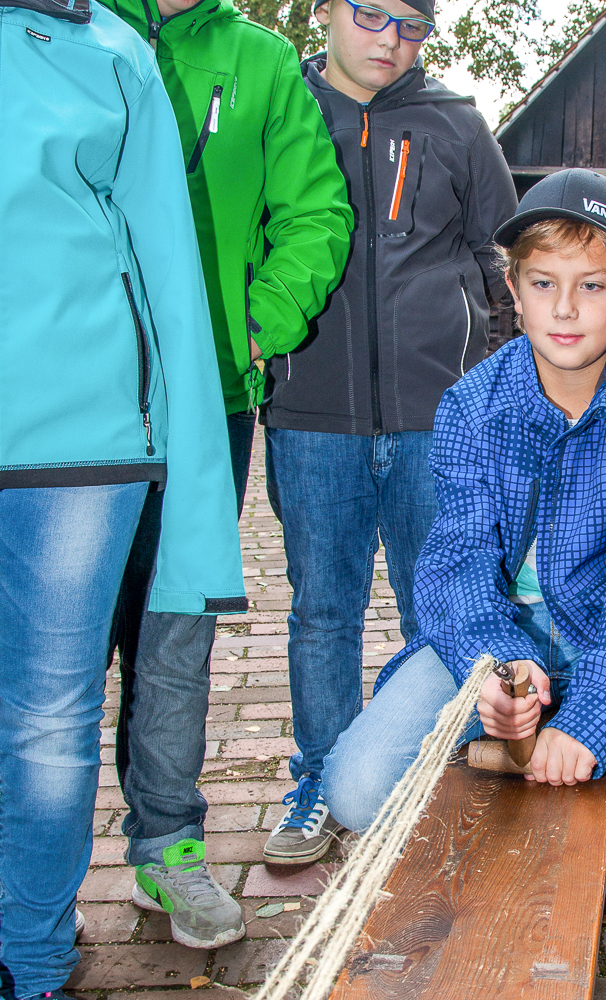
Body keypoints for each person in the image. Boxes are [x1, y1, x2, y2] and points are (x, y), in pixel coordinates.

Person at [322, 170, 606, 1000]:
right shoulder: (473, 404)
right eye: (544, 284)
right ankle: (453, 897)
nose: (567, 309)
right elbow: (454, 564)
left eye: (593, 286)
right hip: (497, 632)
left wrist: (587, 717)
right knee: (354, 784)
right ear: (512, 289)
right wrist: (500, 671)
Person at [0, 0, 245, 991]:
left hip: (74, 443)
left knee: (46, 717)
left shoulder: (115, 51)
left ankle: (31, 960)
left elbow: (170, 281)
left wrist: (194, 503)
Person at [103, 0, 353, 946]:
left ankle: (166, 851)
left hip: (209, 404)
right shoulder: (69, 32)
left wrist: (258, 325)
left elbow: (317, 210)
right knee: (52, 645)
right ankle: (24, 866)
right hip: (68, 403)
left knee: (174, 634)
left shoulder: (260, 60)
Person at [258, 0, 517, 866]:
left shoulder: (457, 125)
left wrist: (481, 383)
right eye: (370, 14)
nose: (389, 39)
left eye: (412, 25)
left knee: (435, 608)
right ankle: (321, 785)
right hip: (311, 415)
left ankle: (433, 778)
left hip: (433, 423)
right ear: (327, 10)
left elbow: (500, 260)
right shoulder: (283, 111)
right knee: (322, 612)